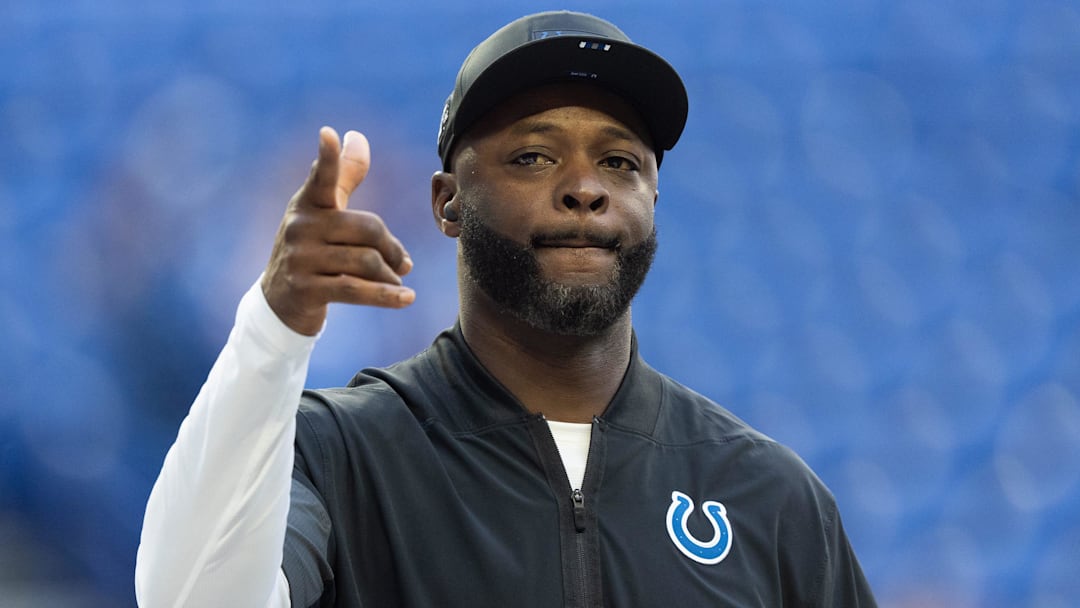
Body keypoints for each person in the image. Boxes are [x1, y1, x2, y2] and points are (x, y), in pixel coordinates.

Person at [135, 10, 877, 607]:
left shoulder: (769, 497)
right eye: (533, 156)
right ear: (448, 203)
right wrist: (274, 328)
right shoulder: (337, 457)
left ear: (654, 199)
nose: (585, 187)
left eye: (620, 162)